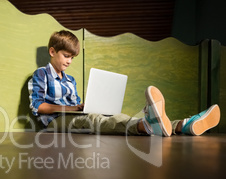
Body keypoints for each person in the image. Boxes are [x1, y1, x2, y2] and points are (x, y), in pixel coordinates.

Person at [28, 30, 221, 136]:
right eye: (66, 56)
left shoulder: (70, 79)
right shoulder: (41, 74)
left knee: (111, 115)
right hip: (53, 123)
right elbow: (38, 106)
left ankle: (181, 125)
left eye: (72, 58)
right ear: (52, 52)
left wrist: (83, 106)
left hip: (71, 117)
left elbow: (77, 103)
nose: (69, 61)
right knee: (92, 119)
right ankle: (146, 126)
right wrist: (71, 109)